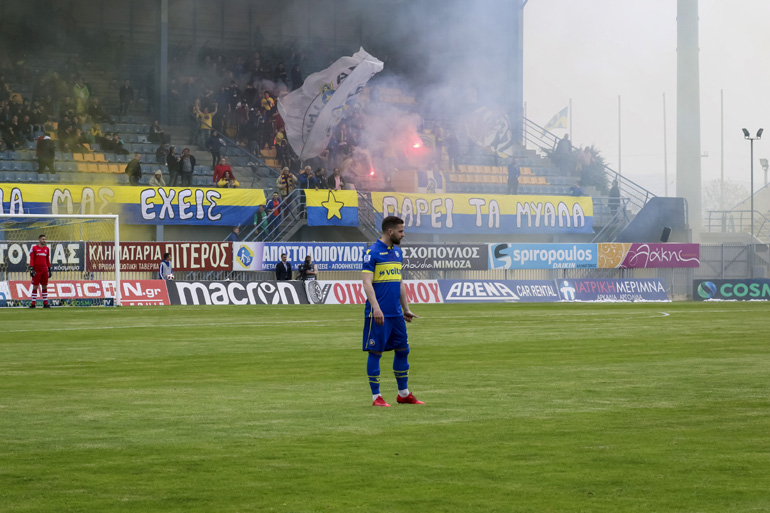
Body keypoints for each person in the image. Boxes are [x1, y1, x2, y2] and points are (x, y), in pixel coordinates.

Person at [362, 216, 423, 407]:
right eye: (400, 231)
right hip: (379, 314)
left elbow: (400, 282)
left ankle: (403, 394)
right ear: (390, 231)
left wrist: (406, 308)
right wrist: (376, 308)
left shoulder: (397, 252)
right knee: (375, 352)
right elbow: (366, 283)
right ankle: (376, 397)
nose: (403, 235)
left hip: (396, 314)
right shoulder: (372, 252)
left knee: (404, 350)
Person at [28, 234, 52, 308]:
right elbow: (32, 259)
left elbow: (47, 260)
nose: (44, 240)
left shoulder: (46, 249)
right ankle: (33, 304)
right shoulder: (34, 248)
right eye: (43, 239)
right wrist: (31, 268)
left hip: (44, 270)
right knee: (35, 286)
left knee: (44, 286)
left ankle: (45, 303)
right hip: (37, 270)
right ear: (39, 239)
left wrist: (49, 269)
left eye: (45, 239)